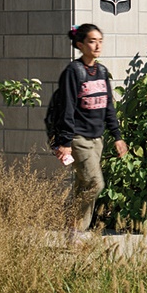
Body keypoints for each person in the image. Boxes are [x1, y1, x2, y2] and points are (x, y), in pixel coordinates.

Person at [45, 22, 128, 243]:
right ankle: (76, 227)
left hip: (97, 139)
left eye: (100, 40)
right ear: (80, 44)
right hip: (78, 138)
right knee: (95, 183)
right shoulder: (73, 72)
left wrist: (117, 136)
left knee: (83, 185)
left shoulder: (100, 71)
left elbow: (108, 106)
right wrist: (65, 142)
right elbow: (67, 108)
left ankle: (73, 231)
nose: (97, 45)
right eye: (92, 41)